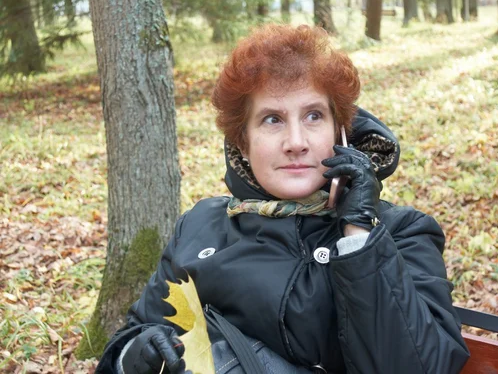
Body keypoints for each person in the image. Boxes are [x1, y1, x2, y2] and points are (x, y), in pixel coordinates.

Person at [96, 24, 470, 374]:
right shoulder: (200, 227)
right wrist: (134, 355)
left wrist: (358, 237)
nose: (296, 142)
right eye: (272, 120)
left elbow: (419, 366)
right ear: (243, 141)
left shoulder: (400, 232)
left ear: (340, 132)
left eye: (312, 116)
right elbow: (137, 331)